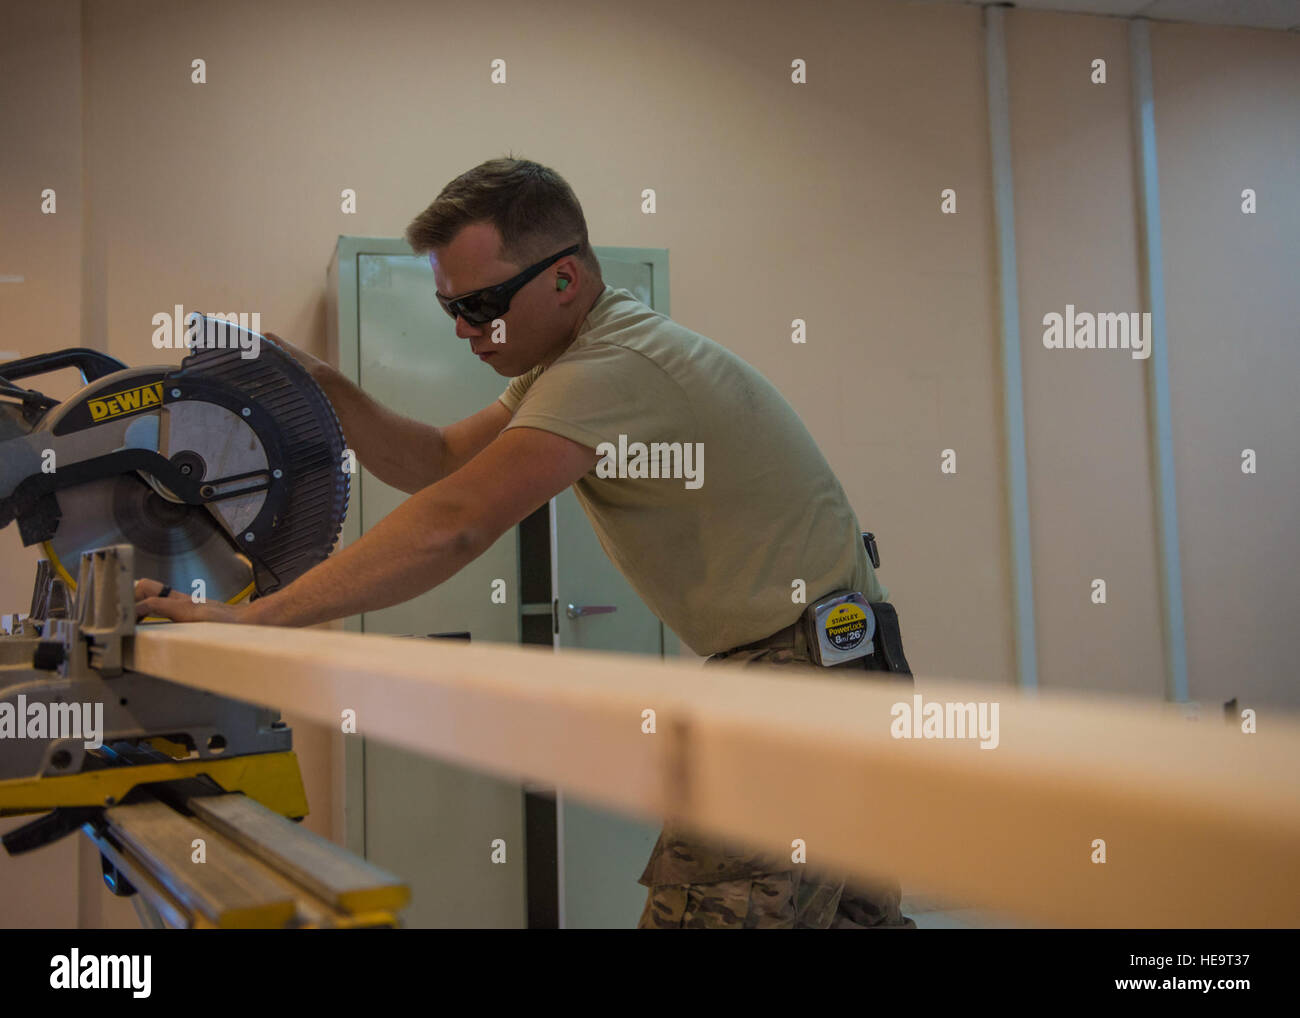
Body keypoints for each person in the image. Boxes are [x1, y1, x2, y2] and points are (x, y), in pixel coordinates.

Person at [134, 156, 916, 929]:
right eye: (450, 310)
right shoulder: (577, 362)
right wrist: (321, 386)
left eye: (483, 305)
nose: (467, 331)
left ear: (565, 279)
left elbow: (458, 521)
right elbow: (437, 461)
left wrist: (256, 619)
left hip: (794, 687)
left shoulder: (611, 366)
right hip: (843, 667)